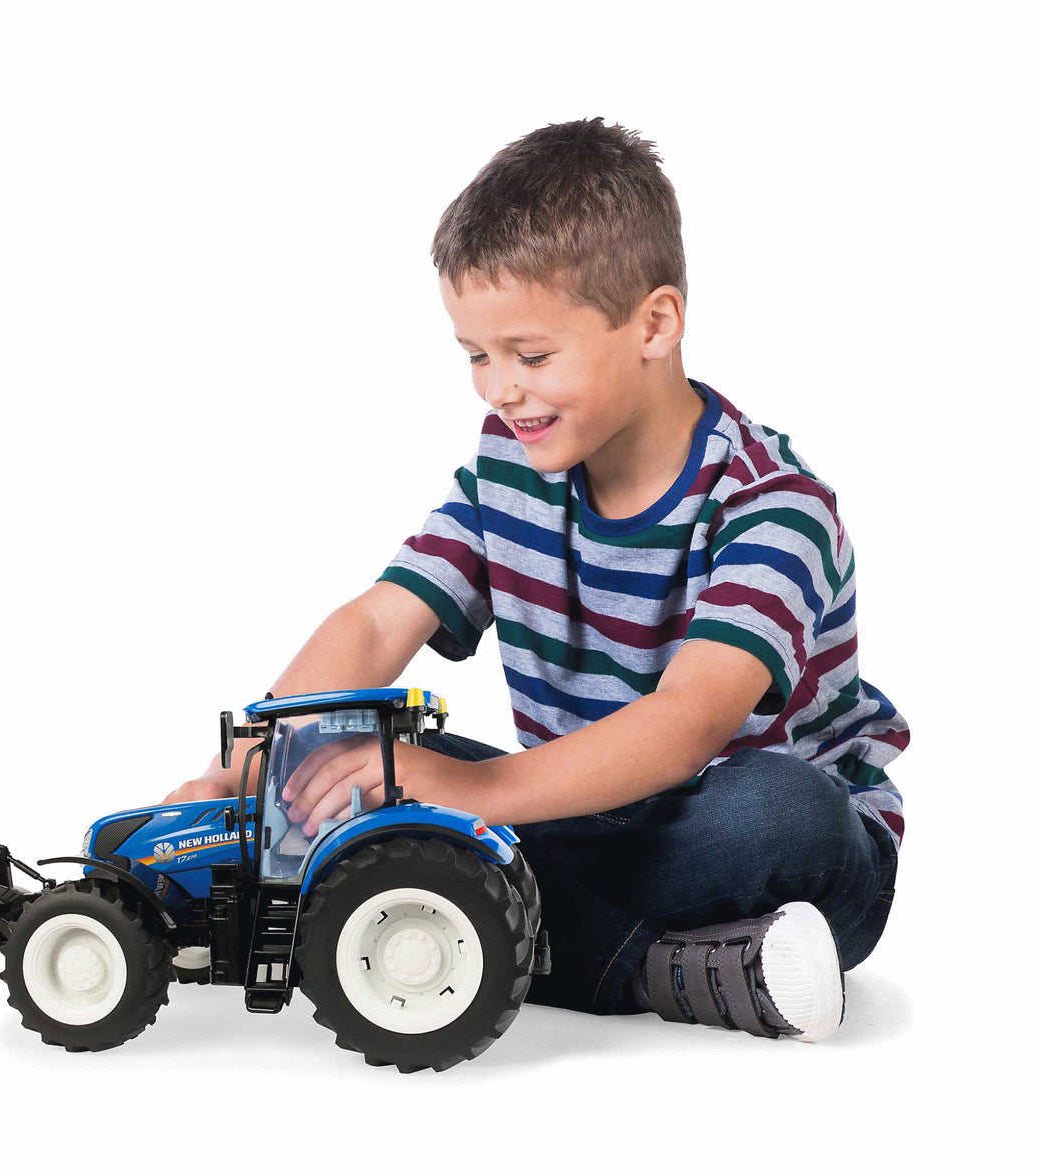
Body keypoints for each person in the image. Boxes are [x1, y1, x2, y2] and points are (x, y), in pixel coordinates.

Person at [165, 118, 908, 1042]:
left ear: (654, 324)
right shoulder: (512, 468)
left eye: (530, 355)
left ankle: (527, 925)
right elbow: (375, 624)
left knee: (779, 809)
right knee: (336, 779)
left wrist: (468, 796)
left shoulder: (772, 505)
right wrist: (248, 766)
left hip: (748, 834)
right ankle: (675, 971)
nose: (497, 390)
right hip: (570, 811)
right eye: (476, 356)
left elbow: (685, 730)